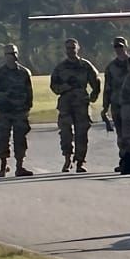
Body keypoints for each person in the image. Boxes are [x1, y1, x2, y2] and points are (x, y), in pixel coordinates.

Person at [50, 38, 101, 173]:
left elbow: (96, 80)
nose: (70, 51)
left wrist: (93, 96)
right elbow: (54, 86)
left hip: (81, 104)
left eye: (73, 48)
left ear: (78, 48)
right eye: (68, 48)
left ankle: (80, 161)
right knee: (65, 133)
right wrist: (63, 88)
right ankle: (67, 159)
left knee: (81, 134)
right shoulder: (60, 68)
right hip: (66, 105)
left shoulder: (85, 65)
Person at [0, 44, 34, 177]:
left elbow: (29, 91)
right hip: (4, 112)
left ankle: (20, 166)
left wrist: (27, 107)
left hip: (20, 111)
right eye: (9, 54)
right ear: (5, 56)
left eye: (14, 53)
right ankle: (3, 164)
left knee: (20, 138)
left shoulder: (24, 73)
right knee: (3, 137)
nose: (12, 56)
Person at [101, 36, 130, 172]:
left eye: (121, 46)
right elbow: (107, 88)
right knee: (121, 135)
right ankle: (124, 160)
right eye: (116, 47)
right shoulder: (111, 67)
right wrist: (105, 107)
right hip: (117, 104)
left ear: (126, 46)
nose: (119, 49)